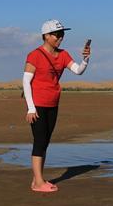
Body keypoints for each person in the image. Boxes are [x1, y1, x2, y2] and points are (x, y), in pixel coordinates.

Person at [22, 19, 91, 193]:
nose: (61, 37)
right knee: (39, 141)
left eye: (62, 34)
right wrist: (30, 108)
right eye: (57, 34)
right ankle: (38, 183)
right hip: (37, 104)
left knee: (45, 142)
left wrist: (85, 59)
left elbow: (78, 70)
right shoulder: (35, 55)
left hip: (53, 102)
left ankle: (37, 179)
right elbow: (26, 81)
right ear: (46, 36)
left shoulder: (63, 54)